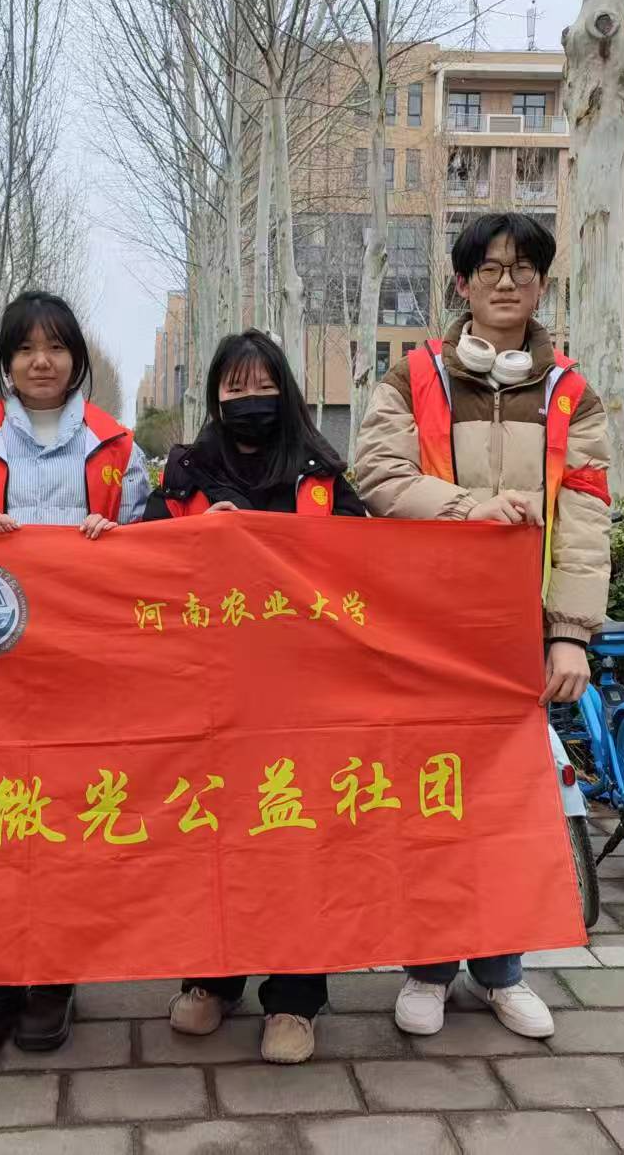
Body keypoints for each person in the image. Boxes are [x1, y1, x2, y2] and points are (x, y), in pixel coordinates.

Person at [352, 211, 612, 1043]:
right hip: (426, 634)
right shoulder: (413, 377)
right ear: (462, 283)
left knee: (508, 808)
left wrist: (570, 631)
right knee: (430, 803)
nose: (507, 282)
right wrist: (470, 507)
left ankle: (503, 970)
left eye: (523, 269)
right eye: (490, 268)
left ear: (542, 284)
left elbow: (587, 516)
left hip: (517, 640)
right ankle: (427, 966)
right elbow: (376, 473)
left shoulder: (571, 392)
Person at [0, 288, 150, 1053]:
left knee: (67, 822)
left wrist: (117, 539)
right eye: (25, 348)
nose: (41, 361)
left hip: (85, 674)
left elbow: (152, 548)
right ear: (6, 362)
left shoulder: (118, 447)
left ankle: (52, 978)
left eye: (55, 347)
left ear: (76, 359)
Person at [144, 328, 365, 1066]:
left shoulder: (323, 476)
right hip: (208, 699)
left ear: (286, 391)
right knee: (212, 838)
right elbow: (140, 563)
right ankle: (212, 977)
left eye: (263, 386)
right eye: (234, 387)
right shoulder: (185, 477)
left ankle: (295, 996)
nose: (250, 399)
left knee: (296, 842)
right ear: (214, 396)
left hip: (304, 697)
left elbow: (372, 562)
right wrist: (195, 538)